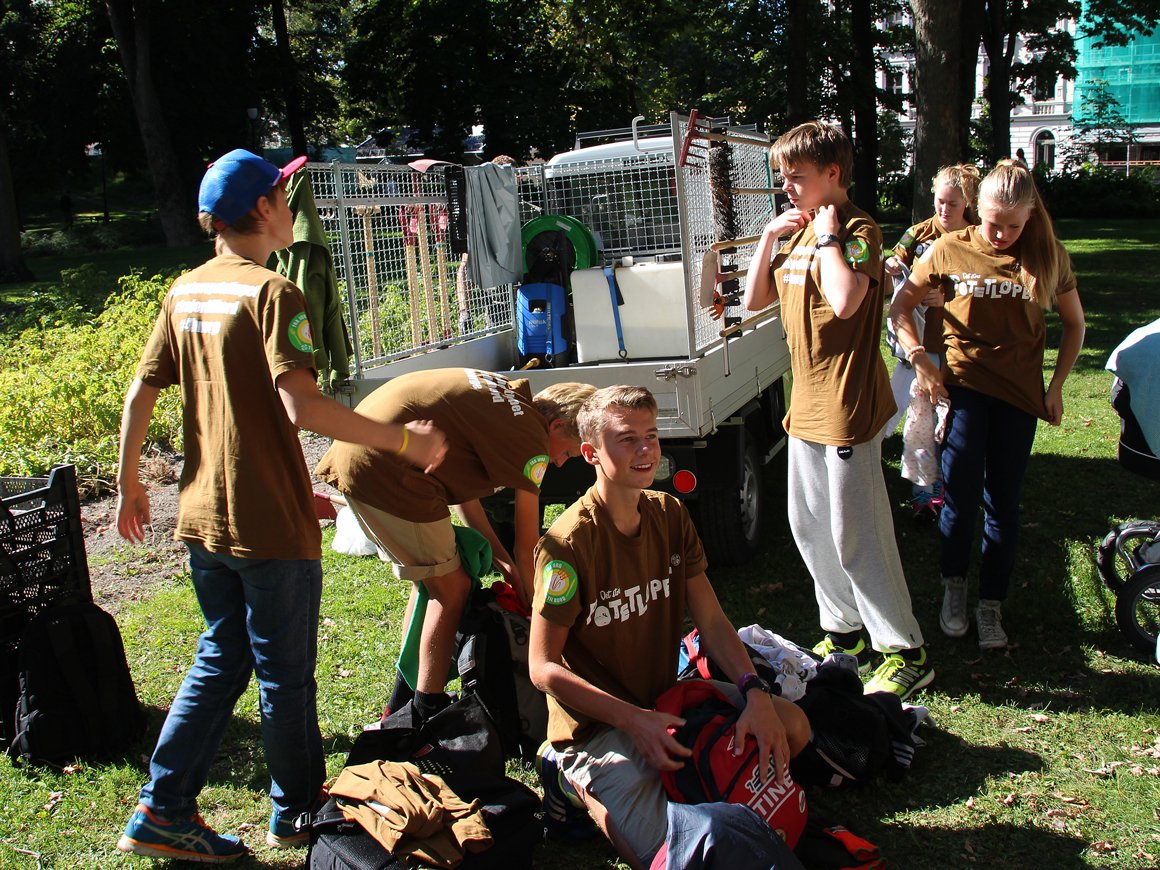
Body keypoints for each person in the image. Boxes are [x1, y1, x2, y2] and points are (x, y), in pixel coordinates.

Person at [114, 149, 448, 864]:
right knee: (285, 679)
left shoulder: (186, 290)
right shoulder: (274, 293)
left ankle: (163, 809)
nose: (292, 205)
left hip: (206, 518)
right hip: (266, 529)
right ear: (264, 208)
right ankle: (295, 811)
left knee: (220, 657)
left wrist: (129, 484)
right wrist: (404, 442)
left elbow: (144, 392)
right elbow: (303, 407)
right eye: (283, 192)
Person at [528, 385, 811, 869]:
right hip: (599, 727)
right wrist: (634, 721)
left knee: (793, 728)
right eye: (627, 439)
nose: (645, 449)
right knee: (670, 856)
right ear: (591, 453)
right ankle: (565, 776)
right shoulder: (566, 545)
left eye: (652, 436)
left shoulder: (670, 513)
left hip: (667, 701)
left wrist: (755, 693)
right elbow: (542, 667)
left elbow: (713, 621)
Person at [743, 121, 932, 700]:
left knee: (857, 533)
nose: (786, 186)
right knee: (809, 526)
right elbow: (754, 302)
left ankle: (904, 649)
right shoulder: (800, 229)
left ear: (832, 173)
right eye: (782, 177)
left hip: (848, 405)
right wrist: (768, 237)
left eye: (796, 176)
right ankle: (843, 633)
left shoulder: (857, 229)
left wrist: (827, 237)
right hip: (806, 405)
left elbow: (847, 302)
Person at [315, 369, 595, 724]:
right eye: (568, 452)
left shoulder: (510, 400)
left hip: (361, 452)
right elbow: (527, 544)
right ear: (556, 426)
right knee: (452, 589)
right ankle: (425, 708)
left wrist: (502, 561)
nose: (561, 462)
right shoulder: (532, 439)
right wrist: (534, 603)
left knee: (431, 581)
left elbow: (465, 495)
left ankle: (403, 699)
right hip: (382, 468)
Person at [890, 160, 1085, 649]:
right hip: (964, 393)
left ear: (1030, 216)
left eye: (1013, 226)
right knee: (958, 498)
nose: (1001, 235)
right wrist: (919, 358)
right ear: (977, 209)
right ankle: (954, 587)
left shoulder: (1047, 255)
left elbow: (1075, 324)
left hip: (1019, 399)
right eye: (993, 223)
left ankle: (991, 603)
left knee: (1003, 503)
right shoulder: (949, 248)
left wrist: (1056, 386)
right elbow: (900, 307)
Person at [884, 164, 981, 524]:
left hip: (958, 348)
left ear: (968, 203)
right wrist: (891, 267)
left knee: (951, 422)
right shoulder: (918, 234)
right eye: (939, 201)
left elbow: (984, 289)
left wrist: (949, 298)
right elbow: (892, 269)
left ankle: (952, 488)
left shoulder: (977, 237)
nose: (943, 210)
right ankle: (925, 494)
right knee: (909, 417)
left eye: (952, 204)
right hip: (916, 349)